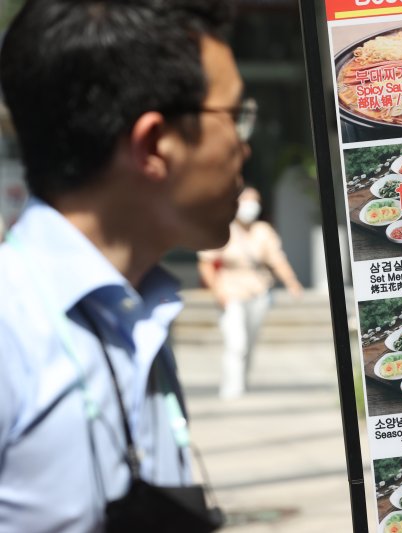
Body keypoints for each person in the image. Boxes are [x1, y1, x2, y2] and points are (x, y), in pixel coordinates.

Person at [0, 0, 254, 531]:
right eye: (233, 117)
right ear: (153, 145)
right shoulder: (11, 326)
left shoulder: (137, 305)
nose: (242, 147)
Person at [198, 186, 304, 399]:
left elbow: (277, 259)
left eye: (254, 201)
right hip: (230, 291)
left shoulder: (263, 231)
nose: (250, 206)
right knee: (236, 342)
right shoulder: (223, 228)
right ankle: (232, 389)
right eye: (246, 200)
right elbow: (206, 263)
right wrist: (217, 291)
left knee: (250, 341)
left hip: (258, 292)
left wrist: (292, 282)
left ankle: (242, 381)